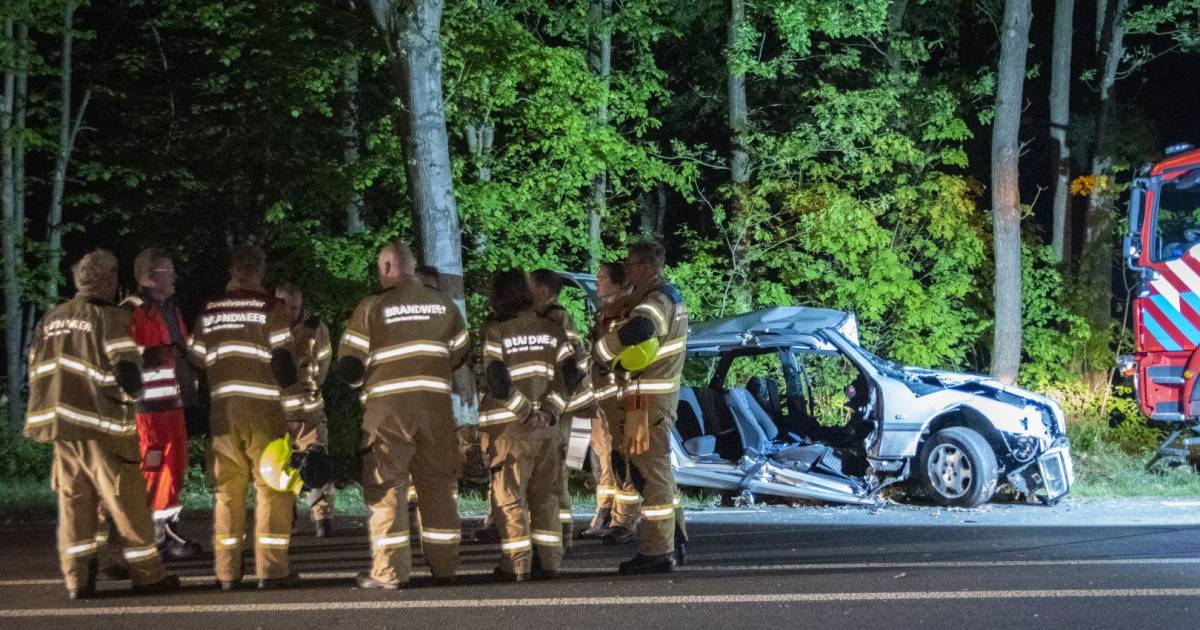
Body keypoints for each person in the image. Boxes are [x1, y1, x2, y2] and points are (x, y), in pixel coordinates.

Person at [24, 249, 180, 599]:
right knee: (128, 503)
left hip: (62, 428)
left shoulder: (51, 318)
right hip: (102, 426)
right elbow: (126, 371)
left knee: (75, 506)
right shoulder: (108, 318)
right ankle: (147, 575)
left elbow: (36, 369)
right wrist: (134, 396)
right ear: (108, 280)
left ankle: (78, 579)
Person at [335, 242, 470, 589]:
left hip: (389, 412)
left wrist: (360, 383)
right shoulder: (444, 305)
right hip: (435, 410)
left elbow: (349, 365)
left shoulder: (371, 308)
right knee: (439, 488)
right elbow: (460, 353)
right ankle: (445, 568)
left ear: (387, 266)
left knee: (388, 489)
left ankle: (390, 572)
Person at [190, 245, 300, 590]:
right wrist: (295, 410)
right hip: (264, 412)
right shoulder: (273, 309)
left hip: (223, 413)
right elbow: (284, 363)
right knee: (273, 490)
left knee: (227, 493)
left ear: (232, 271)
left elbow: (195, 357)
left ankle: (226, 573)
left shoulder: (209, 310)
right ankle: (271, 570)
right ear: (261, 273)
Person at [593, 240, 689, 574]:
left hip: (647, 403)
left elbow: (642, 327)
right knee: (657, 473)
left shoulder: (658, 300)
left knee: (651, 476)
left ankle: (657, 551)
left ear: (646, 267)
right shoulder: (662, 296)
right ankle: (673, 539)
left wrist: (605, 351)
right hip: (648, 401)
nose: (627, 270)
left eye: (631, 265)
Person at [478, 270, 577, 581]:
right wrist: (548, 412)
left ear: (498, 297)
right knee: (546, 496)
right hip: (547, 431)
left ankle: (517, 565)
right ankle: (549, 563)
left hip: (511, 432)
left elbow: (497, 379)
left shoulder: (497, 332)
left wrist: (524, 411)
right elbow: (572, 374)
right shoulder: (551, 329)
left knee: (510, 499)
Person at [120, 248, 203, 559]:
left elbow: (183, 348)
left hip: (173, 403)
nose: (176, 278)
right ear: (150, 277)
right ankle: (155, 535)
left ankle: (169, 527)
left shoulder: (170, 308)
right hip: (147, 410)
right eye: (170, 272)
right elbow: (123, 359)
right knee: (155, 469)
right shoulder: (131, 311)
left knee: (175, 467)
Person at [529, 269, 590, 546]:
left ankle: (563, 533)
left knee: (558, 470)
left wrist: (556, 402)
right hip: (559, 406)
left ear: (542, 291)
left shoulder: (557, 317)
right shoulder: (543, 318)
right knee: (553, 469)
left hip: (567, 408)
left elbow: (570, 364)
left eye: (530, 287)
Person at [584, 262, 642, 541]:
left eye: (602, 278)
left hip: (621, 398)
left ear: (618, 283)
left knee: (623, 459)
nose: (597, 283)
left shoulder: (627, 312)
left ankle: (625, 521)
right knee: (604, 461)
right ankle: (605, 513)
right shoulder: (603, 313)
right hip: (601, 400)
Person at [275, 283, 336, 537]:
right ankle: (283, 515)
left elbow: (324, 362)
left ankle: (322, 517)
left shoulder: (315, 328)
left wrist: (313, 388)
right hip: (276, 411)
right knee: (278, 466)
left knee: (318, 464)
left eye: (295, 307)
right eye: (285, 307)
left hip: (309, 410)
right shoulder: (266, 326)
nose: (291, 312)